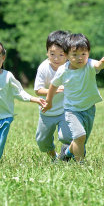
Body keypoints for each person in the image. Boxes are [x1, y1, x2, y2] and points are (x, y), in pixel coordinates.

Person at [41, 33, 104, 162]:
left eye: (83, 54)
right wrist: (49, 102)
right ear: (67, 55)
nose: (80, 58)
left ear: (88, 53)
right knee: (80, 136)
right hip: (71, 110)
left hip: (89, 108)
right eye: (75, 55)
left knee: (81, 140)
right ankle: (80, 164)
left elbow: (98, 65)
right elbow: (53, 86)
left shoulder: (89, 64)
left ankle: (67, 152)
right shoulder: (63, 70)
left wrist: (103, 63)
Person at [33, 30, 71, 161]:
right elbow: (38, 90)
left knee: (66, 136)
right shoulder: (44, 67)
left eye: (61, 55)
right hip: (47, 110)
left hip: (66, 110)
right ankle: (54, 157)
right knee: (42, 141)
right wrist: (53, 90)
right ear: (47, 52)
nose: (56, 58)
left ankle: (67, 153)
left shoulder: (71, 67)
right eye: (52, 54)